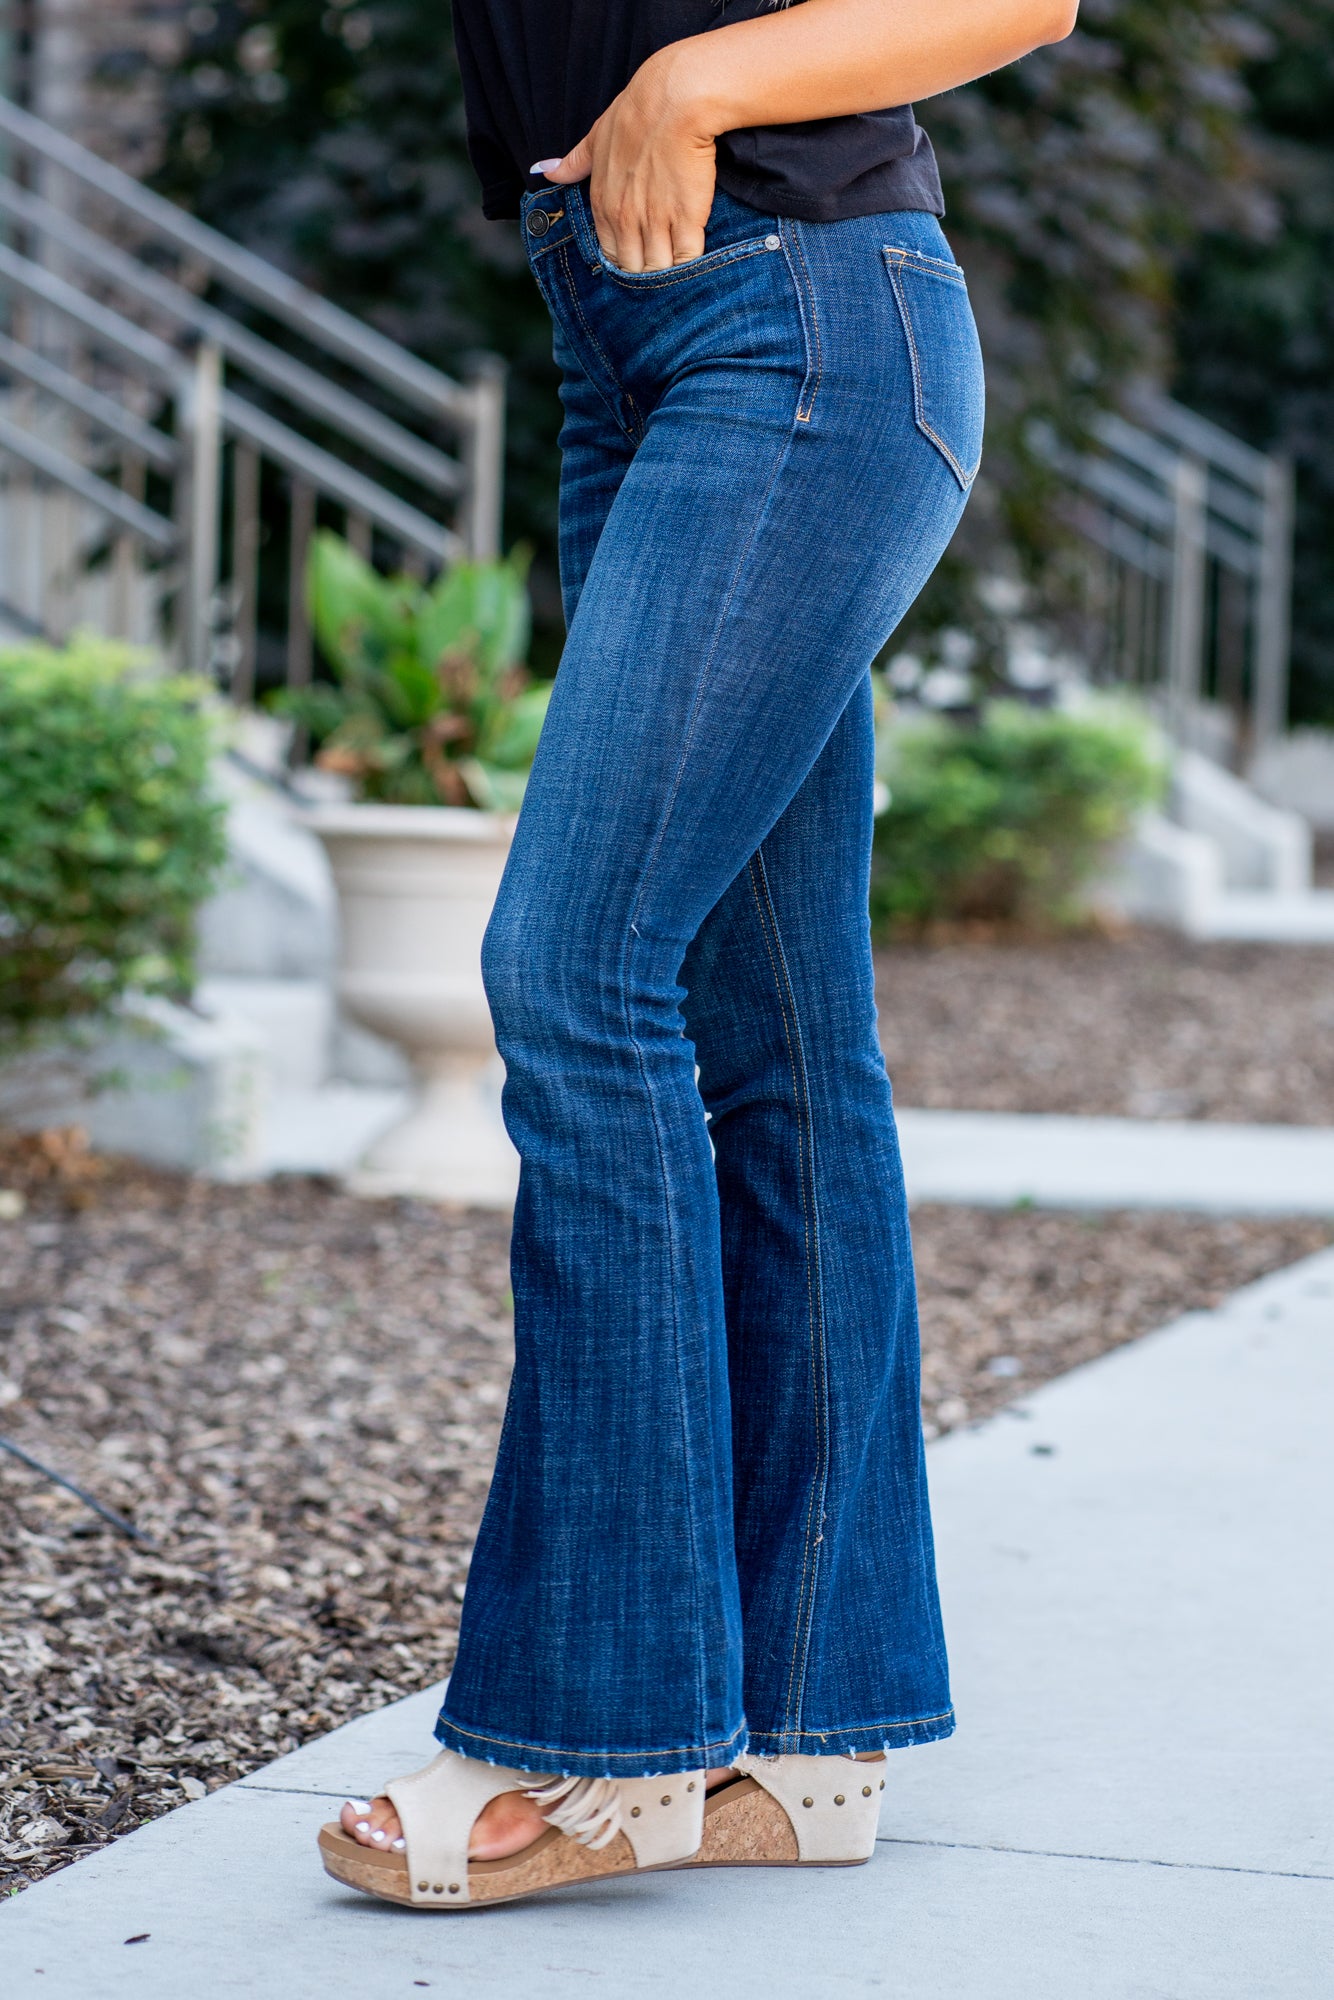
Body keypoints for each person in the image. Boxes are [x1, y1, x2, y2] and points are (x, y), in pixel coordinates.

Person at [319, 0, 1077, 1910]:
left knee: (576, 979)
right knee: (779, 1046)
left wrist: (695, 82)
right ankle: (810, 1728)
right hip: (633, 332)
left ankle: (599, 1731)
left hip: (794, 310)